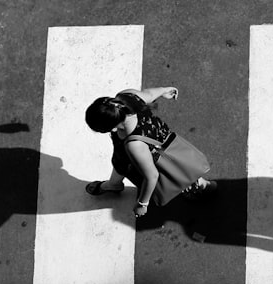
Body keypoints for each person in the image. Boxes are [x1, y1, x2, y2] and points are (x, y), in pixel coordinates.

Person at [84, 87, 215, 219]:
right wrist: (164, 90)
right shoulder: (126, 97)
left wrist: (142, 203)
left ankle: (199, 187)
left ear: (112, 128)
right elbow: (150, 94)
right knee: (120, 162)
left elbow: (152, 176)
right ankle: (114, 184)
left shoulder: (134, 145)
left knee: (175, 170)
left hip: (152, 155)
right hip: (159, 139)